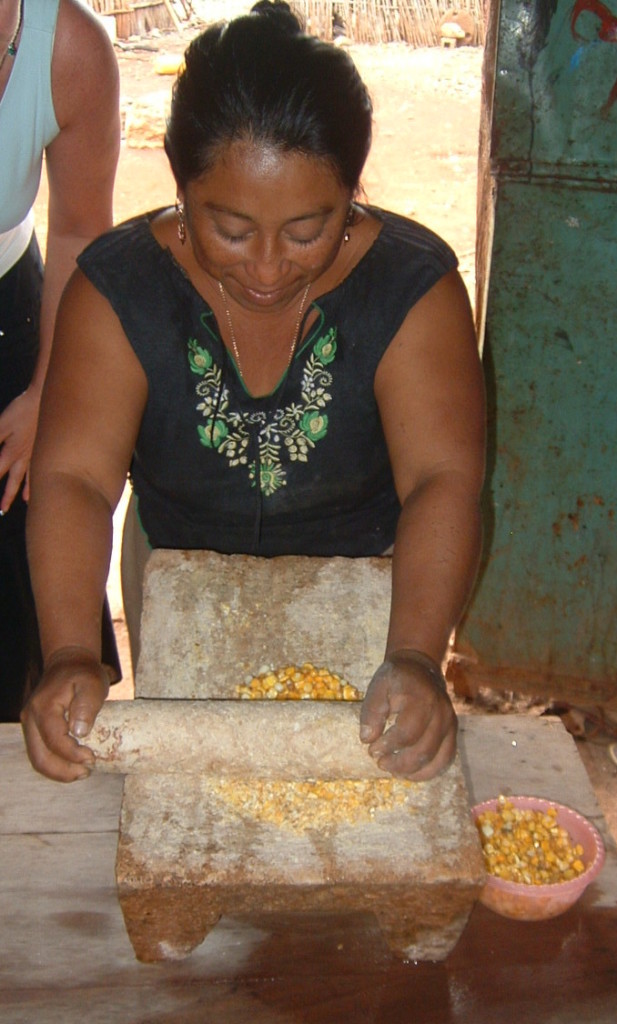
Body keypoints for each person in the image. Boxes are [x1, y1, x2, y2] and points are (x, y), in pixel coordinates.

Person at [21, 0, 486, 783]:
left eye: (308, 229)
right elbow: (74, 477)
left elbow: (442, 480)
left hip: (372, 589)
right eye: (229, 231)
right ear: (178, 184)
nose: (267, 270)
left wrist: (411, 654)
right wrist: (71, 650)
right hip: (177, 582)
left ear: (350, 190)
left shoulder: (411, 288)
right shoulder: (120, 288)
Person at [0, 0, 122, 720]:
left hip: (8, 311)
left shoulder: (67, 50)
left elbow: (79, 231)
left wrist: (48, 391)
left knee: (24, 516)